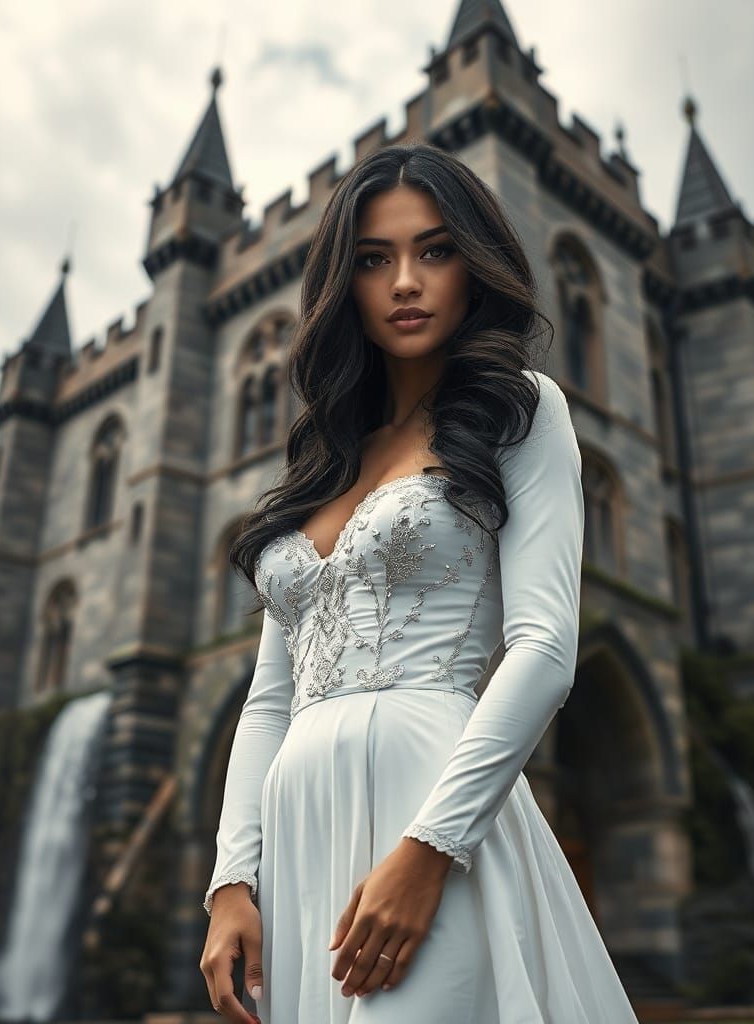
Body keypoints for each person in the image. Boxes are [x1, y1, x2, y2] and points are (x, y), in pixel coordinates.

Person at [198, 142, 640, 1023]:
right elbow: (267, 701)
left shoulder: (522, 410)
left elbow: (546, 648)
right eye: (373, 259)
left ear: (475, 266)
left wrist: (432, 846)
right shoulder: (316, 464)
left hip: (437, 805)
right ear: (342, 283)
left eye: (435, 250)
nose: (405, 280)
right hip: (297, 837)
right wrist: (230, 881)